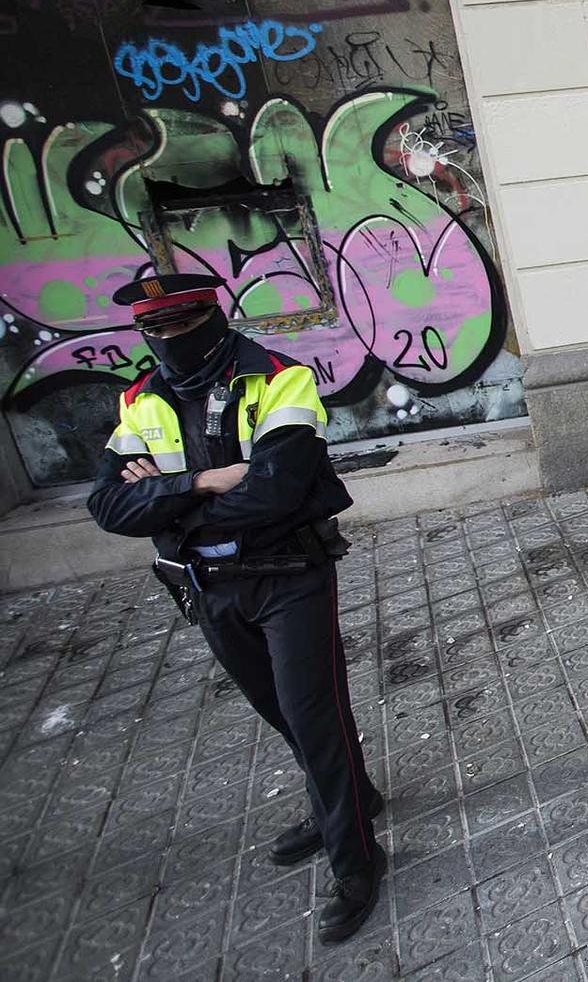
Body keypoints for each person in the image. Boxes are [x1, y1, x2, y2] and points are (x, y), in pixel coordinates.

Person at [86, 275, 383, 944]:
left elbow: (276, 492)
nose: (170, 342)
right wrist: (202, 480)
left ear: (212, 318)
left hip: (289, 575)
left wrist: (164, 501)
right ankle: (352, 801)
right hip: (207, 585)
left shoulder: (279, 379)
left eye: (181, 326)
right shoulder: (140, 400)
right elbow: (107, 505)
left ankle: (357, 858)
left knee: (316, 720)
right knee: (281, 713)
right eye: (156, 331)